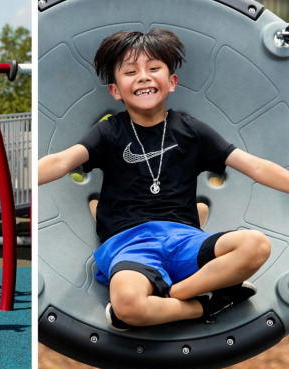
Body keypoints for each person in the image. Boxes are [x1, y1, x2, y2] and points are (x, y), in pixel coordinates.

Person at [37, 28, 289, 330]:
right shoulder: (110, 132)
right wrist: (18, 179)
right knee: (128, 305)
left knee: (257, 245)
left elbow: (255, 167)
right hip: (129, 244)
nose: (143, 76)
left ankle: (178, 291)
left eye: (153, 68)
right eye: (130, 72)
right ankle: (203, 305)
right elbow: (63, 161)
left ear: (171, 83)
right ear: (116, 90)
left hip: (185, 240)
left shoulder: (191, 131)